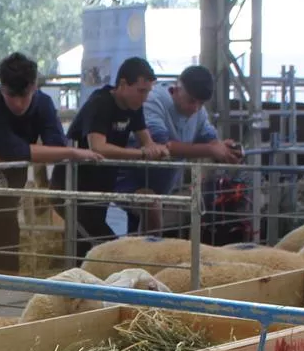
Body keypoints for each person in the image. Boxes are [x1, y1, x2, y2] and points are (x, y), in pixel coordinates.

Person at [0, 51, 99, 278]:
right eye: (12, 95)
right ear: (2, 88)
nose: (19, 103)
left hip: (7, 189)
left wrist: (19, 154)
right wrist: (70, 151)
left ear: (34, 87)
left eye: (25, 95)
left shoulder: (42, 103)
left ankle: (0, 295)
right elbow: (19, 150)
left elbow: (54, 146)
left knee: (5, 259)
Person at [65, 56, 168, 258]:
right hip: (74, 185)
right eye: (141, 91)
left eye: (147, 92)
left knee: (90, 244)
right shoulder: (100, 103)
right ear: (122, 84)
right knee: (105, 246)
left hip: (101, 185)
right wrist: (142, 153)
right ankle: (126, 264)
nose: (145, 97)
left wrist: (159, 149)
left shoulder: (134, 108)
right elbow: (98, 147)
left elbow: (147, 142)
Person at [141, 64, 241, 231]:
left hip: (162, 184)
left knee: (147, 220)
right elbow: (161, 147)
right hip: (132, 176)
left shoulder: (198, 111)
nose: (196, 108)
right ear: (176, 89)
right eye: (191, 101)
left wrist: (224, 147)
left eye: (201, 103)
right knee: (149, 208)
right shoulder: (154, 101)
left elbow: (210, 137)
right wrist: (211, 150)